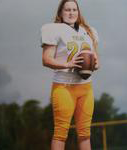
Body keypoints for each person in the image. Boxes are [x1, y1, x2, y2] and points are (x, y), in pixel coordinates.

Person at [41, 0, 100, 149]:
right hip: (64, 86)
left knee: (85, 133)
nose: (71, 13)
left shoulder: (89, 31)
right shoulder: (53, 29)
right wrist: (67, 64)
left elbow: (95, 59)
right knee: (61, 132)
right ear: (61, 12)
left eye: (74, 9)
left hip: (86, 88)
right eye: (67, 10)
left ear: (78, 12)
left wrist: (95, 64)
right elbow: (46, 59)